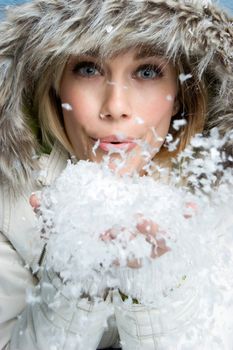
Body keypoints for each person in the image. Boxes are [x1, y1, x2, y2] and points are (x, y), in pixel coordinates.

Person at [0, 0, 232, 349]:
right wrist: (72, 280)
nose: (116, 107)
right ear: (53, 82)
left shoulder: (219, 195)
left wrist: (153, 288)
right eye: (89, 69)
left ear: (183, 93)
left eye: (148, 72)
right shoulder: (9, 203)